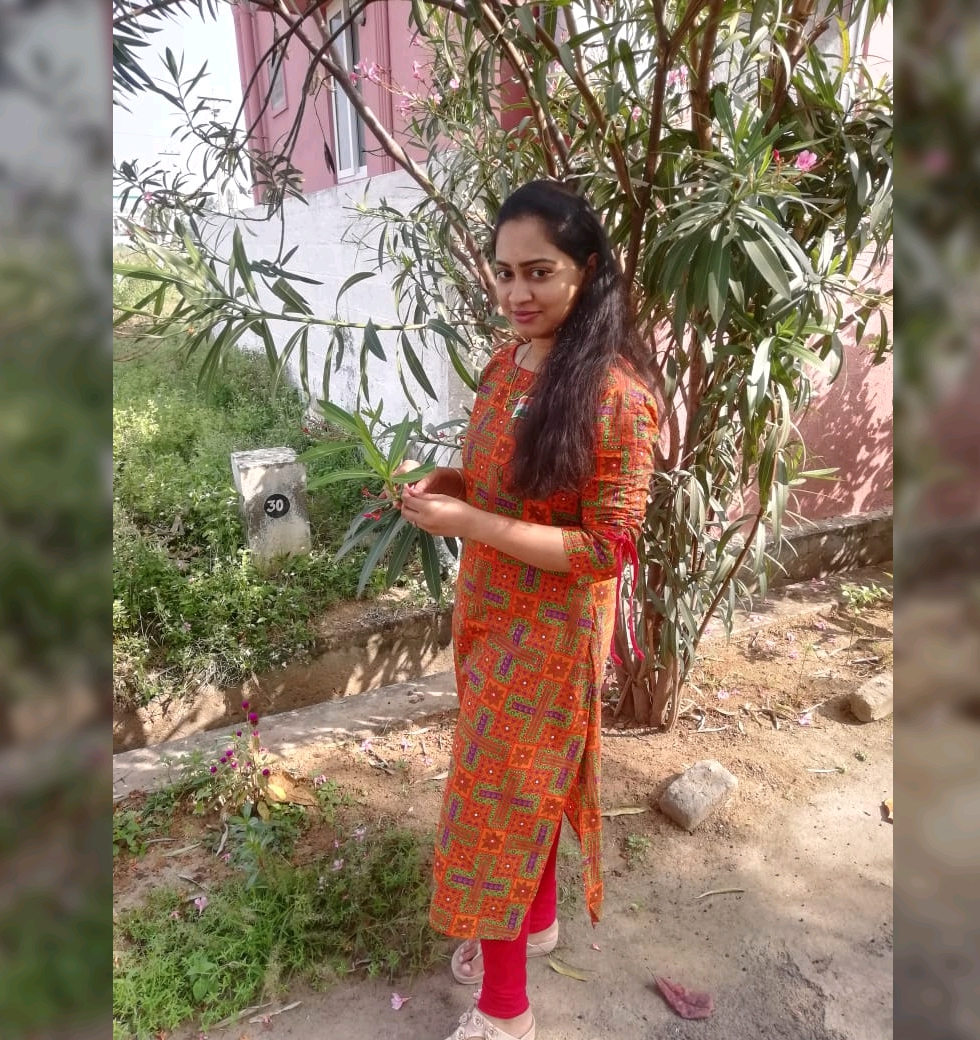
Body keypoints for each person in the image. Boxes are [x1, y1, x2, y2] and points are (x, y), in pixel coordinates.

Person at [398, 180, 658, 1040]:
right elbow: (496, 481)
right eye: (505, 272)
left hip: (549, 635)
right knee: (519, 788)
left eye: (539, 272)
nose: (517, 293)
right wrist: (444, 487)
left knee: (495, 803)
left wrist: (471, 523)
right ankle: (534, 920)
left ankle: (506, 1014)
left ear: (587, 270)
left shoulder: (617, 397)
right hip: (486, 616)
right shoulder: (507, 365)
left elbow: (605, 550)